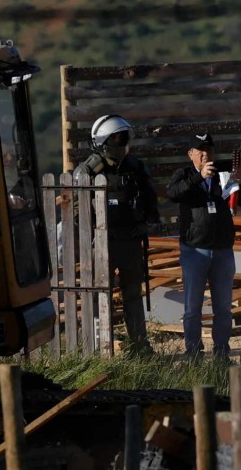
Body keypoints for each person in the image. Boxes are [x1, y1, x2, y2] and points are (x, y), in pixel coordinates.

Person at [73, 115, 160, 353]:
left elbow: (151, 203)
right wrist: (96, 230)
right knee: (99, 296)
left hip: (131, 242)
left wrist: (145, 224)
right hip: (102, 244)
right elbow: (77, 208)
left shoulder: (136, 168)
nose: (122, 142)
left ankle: (140, 346)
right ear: (103, 142)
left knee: (133, 295)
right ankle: (95, 346)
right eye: (116, 138)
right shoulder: (89, 171)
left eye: (123, 137)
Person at [167, 132, 241, 359]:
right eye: (201, 150)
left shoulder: (223, 174)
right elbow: (173, 194)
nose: (207, 154)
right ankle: (193, 351)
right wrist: (199, 177)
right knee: (193, 307)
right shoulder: (184, 174)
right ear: (191, 154)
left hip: (223, 248)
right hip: (194, 249)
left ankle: (222, 351)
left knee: (224, 307)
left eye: (210, 149)